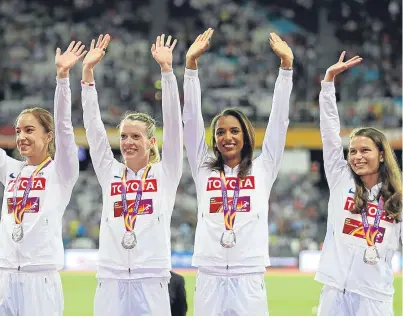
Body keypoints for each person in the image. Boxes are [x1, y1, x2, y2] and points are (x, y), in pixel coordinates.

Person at [183, 28, 294, 315]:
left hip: (249, 274)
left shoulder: (264, 167)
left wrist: (286, 70)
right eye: (220, 132)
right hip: (209, 273)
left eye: (234, 131)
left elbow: (279, 122)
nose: (227, 137)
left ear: (246, 135)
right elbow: (192, 120)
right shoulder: (203, 169)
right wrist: (191, 68)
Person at [81, 34, 183, 316]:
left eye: (136, 136)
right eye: (124, 136)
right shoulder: (110, 172)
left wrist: (167, 73)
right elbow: (93, 128)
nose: (127, 142)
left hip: (151, 278)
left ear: (151, 142)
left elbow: (174, 127)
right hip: (111, 278)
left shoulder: (167, 172)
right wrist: (88, 75)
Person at [0, 40, 84, 315]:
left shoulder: (61, 171)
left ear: (48, 136)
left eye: (29, 130)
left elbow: (64, 125)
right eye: (18, 130)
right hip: (5, 275)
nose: (21, 137)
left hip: (41, 278)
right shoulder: (11, 169)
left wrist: (62, 79)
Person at [315, 51, 402, 316]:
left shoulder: (398, 197)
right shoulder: (340, 177)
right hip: (333, 292)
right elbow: (330, 134)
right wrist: (328, 84)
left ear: (381, 154)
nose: (357, 156)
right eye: (352, 151)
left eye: (365, 150)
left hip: (375, 298)